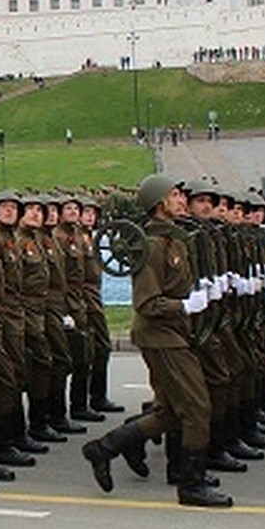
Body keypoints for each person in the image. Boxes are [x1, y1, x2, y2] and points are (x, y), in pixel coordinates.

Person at [81, 174, 232, 507]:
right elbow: (147, 304)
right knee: (196, 406)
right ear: (160, 202)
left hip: (175, 333)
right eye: (175, 195)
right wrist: (185, 305)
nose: (182, 200)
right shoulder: (150, 246)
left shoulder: (173, 240)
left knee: (169, 412)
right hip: (160, 336)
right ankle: (190, 484)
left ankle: (105, 448)